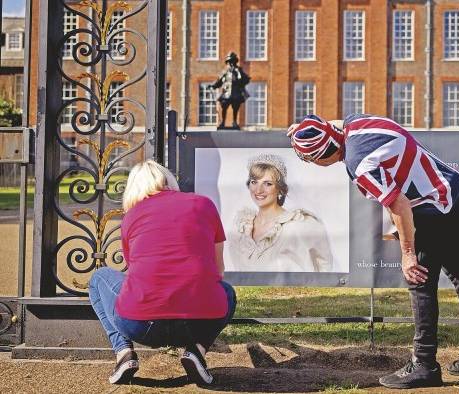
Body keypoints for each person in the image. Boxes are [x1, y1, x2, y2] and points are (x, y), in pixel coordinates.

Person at [288, 114, 459, 389]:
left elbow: (400, 206)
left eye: (310, 160)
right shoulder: (356, 123)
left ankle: (425, 364)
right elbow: (333, 126)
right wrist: (307, 130)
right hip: (452, 189)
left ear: (320, 157)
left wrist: (408, 253)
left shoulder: (360, 164)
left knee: (419, 281)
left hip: (433, 206)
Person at [88, 160, 236, 385]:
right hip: (197, 323)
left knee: (99, 278)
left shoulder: (131, 216)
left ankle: (123, 353)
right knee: (227, 293)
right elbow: (219, 270)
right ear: (169, 180)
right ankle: (196, 351)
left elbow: (133, 270)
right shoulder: (204, 204)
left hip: (139, 325)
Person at [228, 154, 334, 272]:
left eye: (268, 184)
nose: (258, 190)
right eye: (254, 182)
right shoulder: (241, 226)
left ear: (280, 189)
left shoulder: (301, 225)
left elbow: (324, 268)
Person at [208, 51, 250, 130]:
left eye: (232, 62)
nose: (231, 64)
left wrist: (238, 72)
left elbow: (245, 80)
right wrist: (213, 86)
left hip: (236, 93)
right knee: (224, 107)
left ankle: (234, 122)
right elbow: (219, 82)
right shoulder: (225, 72)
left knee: (235, 108)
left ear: (235, 62)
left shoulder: (239, 71)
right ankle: (223, 122)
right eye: (229, 62)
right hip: (226, 93)